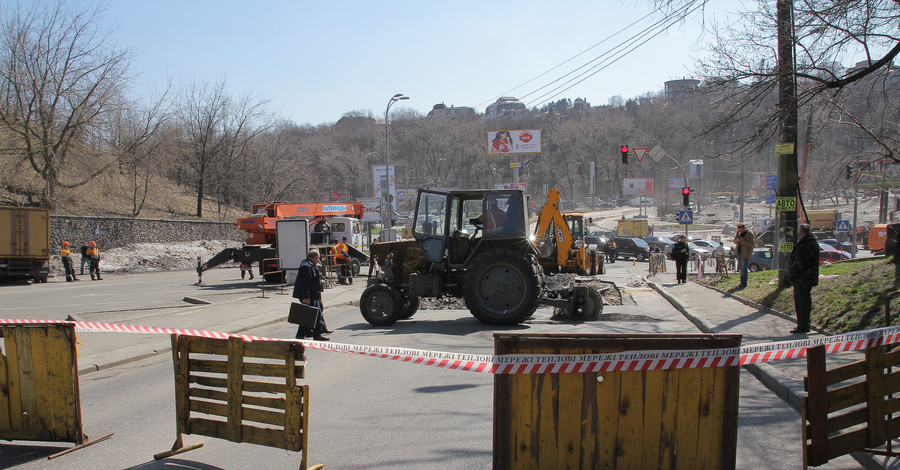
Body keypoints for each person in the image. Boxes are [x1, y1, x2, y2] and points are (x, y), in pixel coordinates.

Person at [787, 223, 820, 334]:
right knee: (805, 302)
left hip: (802, 278)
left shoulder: (805, 244)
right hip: (808, 277)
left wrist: (790, 273)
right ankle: (804, 324)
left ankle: (802, 325)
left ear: (801, 232)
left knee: (801, 303)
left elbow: (800, 262)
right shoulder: (812, 242)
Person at [292, 249, 329, 341]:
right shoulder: (306, 266)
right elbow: (305, 283)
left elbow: (312, 280)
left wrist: (320, 282)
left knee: (312, 315)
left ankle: (309, 334)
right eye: (318, 257)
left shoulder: (310, 265)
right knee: (312, 315)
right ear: (316, 257)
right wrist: (306, 297)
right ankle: (314, 335)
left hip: (314, 294)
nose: (319, 259)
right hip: (310, 296)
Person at [732, 223, 755, 288]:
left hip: (745, 253)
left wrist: (742, 241)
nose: (741, 231)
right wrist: (737, 240)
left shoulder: (749, 234)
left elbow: (751, 244)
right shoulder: (739, 233)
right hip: (739, 253)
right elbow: (734, 240)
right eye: (739, 230)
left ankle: (744, 283)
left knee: (744, 269)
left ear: (744, 228)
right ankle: (741, 282)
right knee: (741, 269)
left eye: (741, 230)